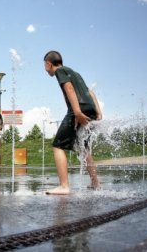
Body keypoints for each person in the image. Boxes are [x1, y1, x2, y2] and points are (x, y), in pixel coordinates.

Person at [43, 50, 102, 195]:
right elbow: (91, 92)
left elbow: (69, 88)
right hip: (90, 109)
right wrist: (98, 112)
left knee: (58, 146)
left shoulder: (60, 71)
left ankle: (64, 186)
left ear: (48, 64)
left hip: (78, 110)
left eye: (45, 65)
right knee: (83, 148)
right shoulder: (76, 73)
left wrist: (77, 113)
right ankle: (95, 183)